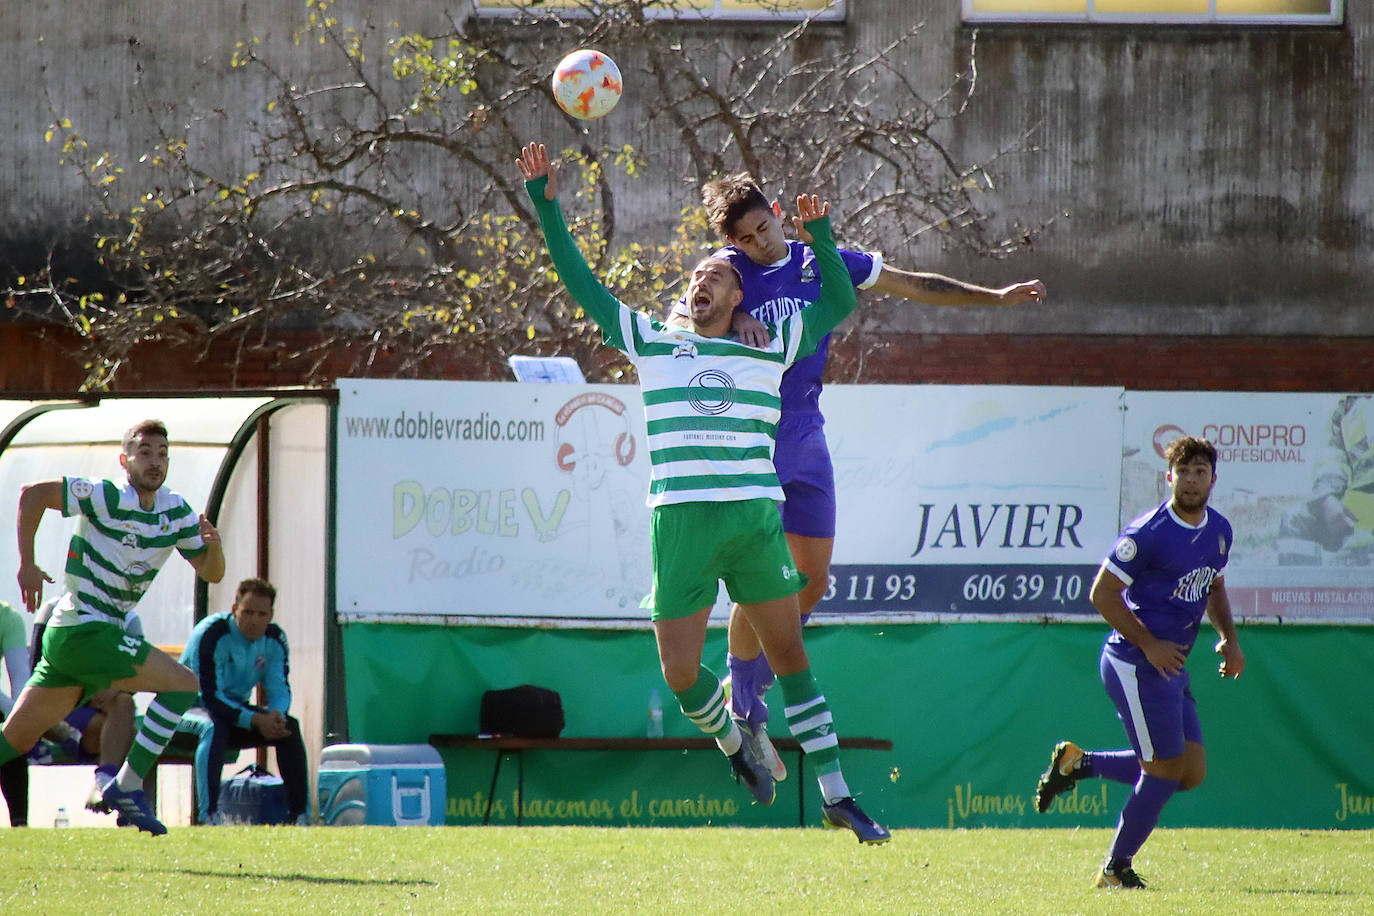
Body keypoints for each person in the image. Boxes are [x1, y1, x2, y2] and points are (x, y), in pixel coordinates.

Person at [516, 141, 889, 843]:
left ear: (740, 294)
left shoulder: (769, 344)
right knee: (683, 675)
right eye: (696, 272)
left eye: (716, 273)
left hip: (751, 521)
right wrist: (545, 201)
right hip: (680, 527)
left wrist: (825, 238)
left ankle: (840, 795)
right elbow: (578, 279)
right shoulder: (652, 342)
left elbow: (839, 297)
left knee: (794, 661)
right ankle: (736, 742)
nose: (700, 280)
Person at [676, 173, 1046, 781]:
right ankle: (746, 707)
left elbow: (913, 284)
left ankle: (747, 692)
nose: (758, 244)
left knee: (812, 581)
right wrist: (731, 317)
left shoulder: (819, 260)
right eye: (744, 239)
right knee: (764, 582)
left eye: (763, 228)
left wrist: (997, 297)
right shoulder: (726, 267)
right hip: (756, 433)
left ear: (777, 213)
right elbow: (692, 315)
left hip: (807, 431)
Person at [1032, 436, 1244, 889]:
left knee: (1188, 772)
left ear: (1213, 479)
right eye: (1182, 471)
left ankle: (1079, 764)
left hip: (1172, 665)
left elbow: (1214, 587)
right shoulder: (1148, 532)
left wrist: (1229, 638)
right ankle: (1115, 869)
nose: (1191, 480)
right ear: (1168, 477)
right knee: (1163, 769)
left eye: (1199, 472)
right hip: (1134, 662)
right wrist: (1148, 644)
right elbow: (1101, 594)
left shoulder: (1220, 530)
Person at [0, 418, 226, 835]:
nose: (154, 462)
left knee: (12, 741)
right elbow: (31, 495)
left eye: (162, 454)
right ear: (125, 460)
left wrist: (214, 548)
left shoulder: (175, 511)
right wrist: (27, 563)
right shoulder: (105, 495)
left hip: (77, 639)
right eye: (144, 452)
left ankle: (121, 784)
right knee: (182, 684)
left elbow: (212, 573)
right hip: (84, 628)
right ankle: (125, 785)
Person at [178, 577, 308, 825]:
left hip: (232, 712)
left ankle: (300, 815)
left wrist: (276, 715)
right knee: (212, 726)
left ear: (271, 615)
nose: (254, 620)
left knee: (288, 727)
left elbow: (279, 689)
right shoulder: (211, 634)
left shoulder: (274, 639)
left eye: (262, 614)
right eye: (247, 612)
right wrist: (256, 719)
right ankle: (209, 816)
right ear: (234, 609)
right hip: (187, 709)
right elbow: (211, 698)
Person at [29, 599, 140, 819]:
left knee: (125, 703)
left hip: (108, 706)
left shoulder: (129, 616)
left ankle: (106, 782)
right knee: (132, 736)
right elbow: (35, 671)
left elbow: (138, 670)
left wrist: (114, 687)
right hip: (65, 706)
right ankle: (124, 810)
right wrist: (86, 687)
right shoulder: (54, 609)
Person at [0, 600, 31, 826]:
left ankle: (19, 825)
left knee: (14, 734)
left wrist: (22, 719)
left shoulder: (8, 617)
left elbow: (21, 679)